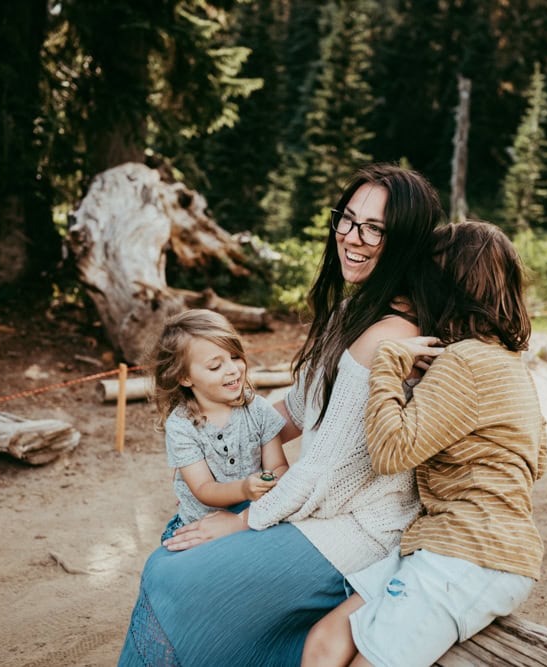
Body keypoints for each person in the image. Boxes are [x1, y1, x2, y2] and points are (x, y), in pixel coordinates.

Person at [117, 162, 446, 666]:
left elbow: (327, 475)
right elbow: (297, 405)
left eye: (374, 228)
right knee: (181, 532)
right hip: (317, 508)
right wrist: (216, 437)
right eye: (347, 219)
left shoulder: (390, 335)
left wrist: (244, 520)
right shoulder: (352, 312)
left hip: (357, 529)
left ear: (405, 240)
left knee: (171, 572)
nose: (351, 237)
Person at [301, 220, 547, 667]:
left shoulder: (463, 362)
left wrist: (389, 365)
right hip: (443, 543)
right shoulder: (511, 365)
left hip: (471, 553)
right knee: (325, 640)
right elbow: (539, 456)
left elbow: (390, 453)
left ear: (445, 284)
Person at [149, 308, 289, 543]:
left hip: (254, 517)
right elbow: (203, 488)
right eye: (216, 366)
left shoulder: (257, 409)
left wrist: (268, 482)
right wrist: (243, 489)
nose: (233, 369)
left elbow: (279, 466)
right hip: (201, 526)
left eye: (234, 356)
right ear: (185, 378)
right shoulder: (181, 426)